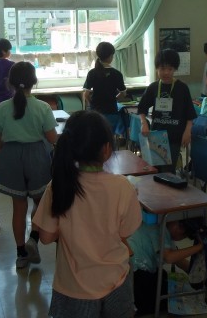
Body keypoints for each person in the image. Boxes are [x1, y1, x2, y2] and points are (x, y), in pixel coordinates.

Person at [32, 110, 141, 318]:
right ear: (107, 149)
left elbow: (45, 237)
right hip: (116, 280)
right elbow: (125, 232)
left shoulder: (58, 186)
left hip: (73, 285)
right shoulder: (122, 187)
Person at [0, 61, 57, 269]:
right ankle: (33, 239)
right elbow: (52, 138)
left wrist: (11, 147)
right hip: (37, 157)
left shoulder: (1, 108)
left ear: (9, 82)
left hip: (11, 157)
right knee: (41, 202)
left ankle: (21, 254)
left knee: (18, 208)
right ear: (34, 82)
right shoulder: (43, 107)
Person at [138, 49, 196, 172]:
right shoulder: (153, 87)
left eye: (170, 69)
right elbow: (141, 108)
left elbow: (190, 113)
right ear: (157, 68)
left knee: (168, 171)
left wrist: (187, 132)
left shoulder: (182, 88)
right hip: (156, 135)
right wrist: (144, 123)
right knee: (154, 170)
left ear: (175, 69)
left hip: (175, 136)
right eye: (162, 68)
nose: (166, 72)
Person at [128, 219, 203, 316]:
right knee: (162, 299)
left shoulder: (160, 225)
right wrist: (199, 247)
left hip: (132, 267)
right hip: (133, 271)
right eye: (180, 227)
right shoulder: (158, 229)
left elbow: (179, 261)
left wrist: (197, 274)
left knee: (162, 276)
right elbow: (169, 257)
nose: (180, 232)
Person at [82, 42, 127, 133]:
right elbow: (123, 93)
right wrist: (114, 99)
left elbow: (86, 95)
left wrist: (93, 104)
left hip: (96, 113)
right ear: (111, 56)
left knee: (96, 136)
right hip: (111, 111)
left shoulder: (92, 73)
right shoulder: (117, 74)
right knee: (109, 137)